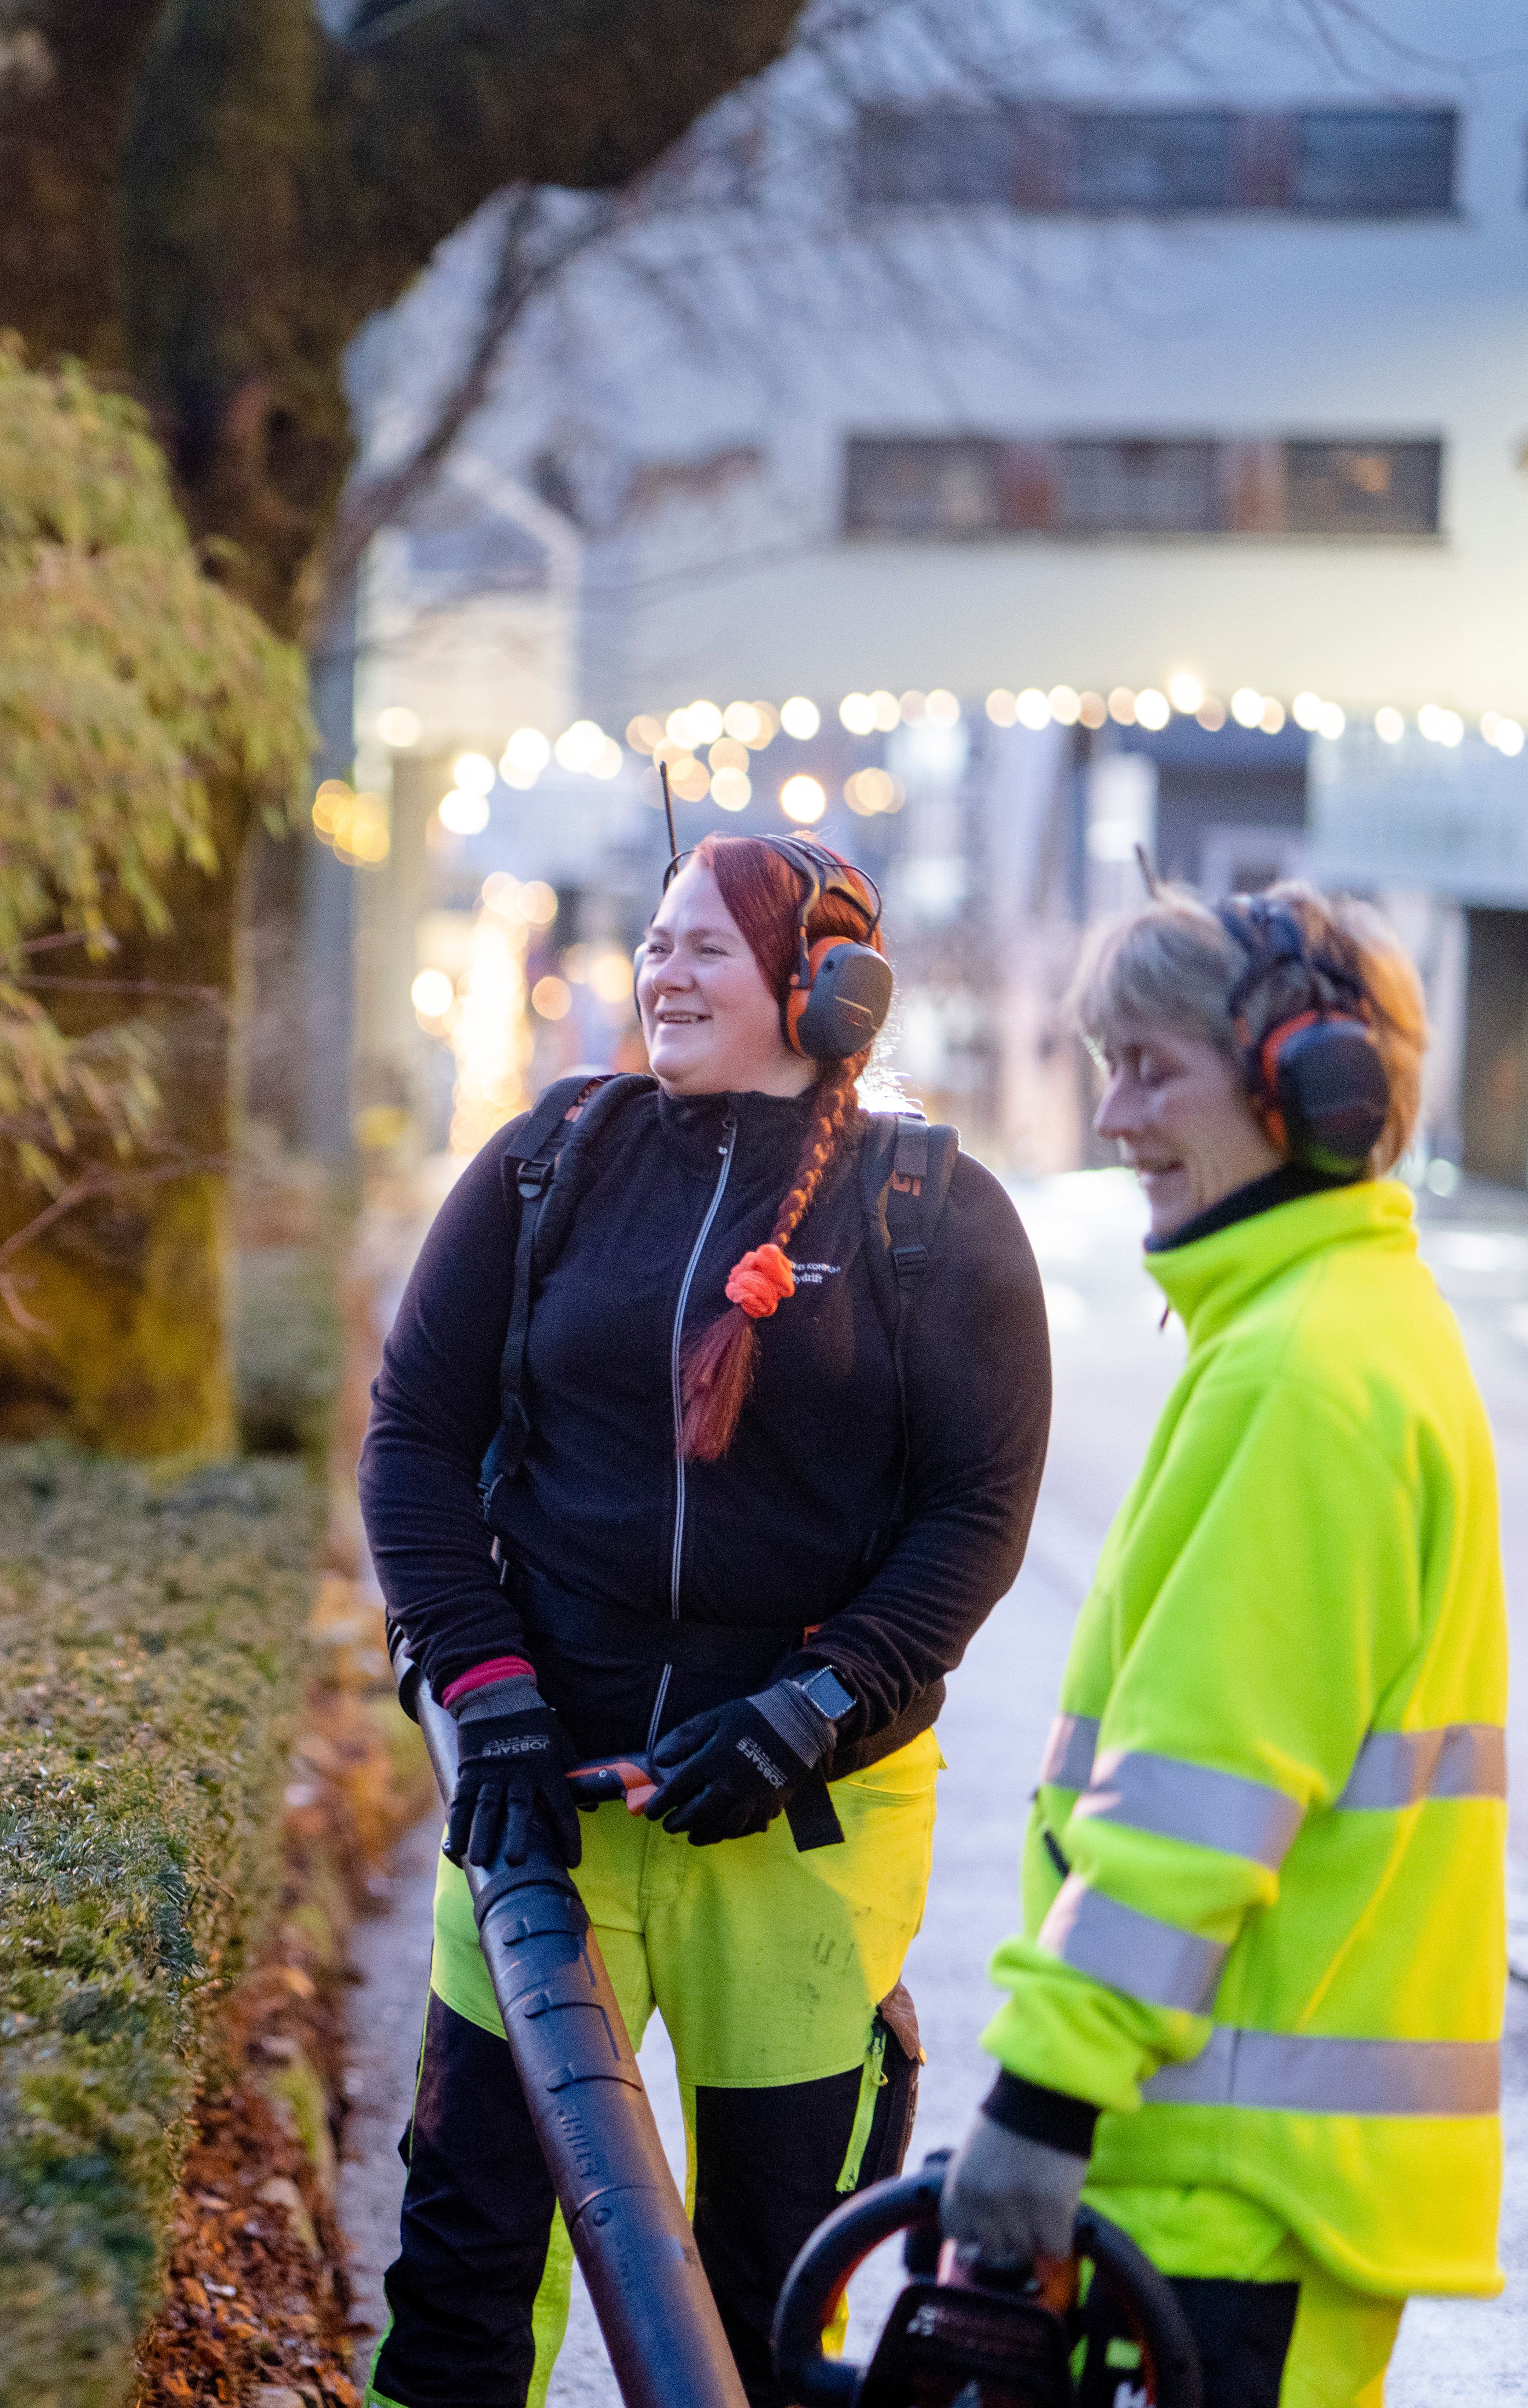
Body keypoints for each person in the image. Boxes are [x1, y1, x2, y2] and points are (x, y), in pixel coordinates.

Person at [361, 833, 1053, 2407]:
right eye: (657, 944)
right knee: (467, 2260)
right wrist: (491, 1691)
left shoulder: (930, 1218)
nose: (663, 973)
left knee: (762, 2281)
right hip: (546, 1819)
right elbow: (411, 1442)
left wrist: (815, 1704)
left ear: (823, 992)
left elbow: (975, 1520)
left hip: (805, 1828)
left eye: (705, 952)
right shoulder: (550, 1163)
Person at [944, 884, 1504, 2408]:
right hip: (1266, 2191)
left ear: (1308, 1093)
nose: (1114, 1115)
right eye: (1104, 1065)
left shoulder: (1301, 1375)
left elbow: (1198, 1799)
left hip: (1225, 2202)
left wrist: (1043, 2103)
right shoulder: (1338, 1324)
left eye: (1151, 1067)